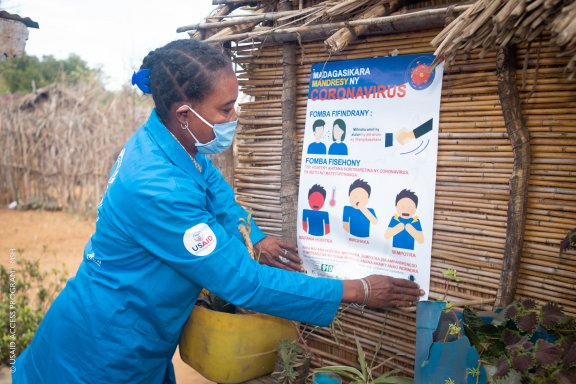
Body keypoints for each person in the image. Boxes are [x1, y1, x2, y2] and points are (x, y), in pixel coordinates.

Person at [13, 39, 423, 384]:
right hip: (99, 351)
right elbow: (243, 284)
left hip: (140, 339)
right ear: (185, 114)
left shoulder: (170, 143)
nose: (234, 117)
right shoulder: (157, 186)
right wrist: (358, 290)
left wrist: (255, 237)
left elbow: (218, 194)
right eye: (225, 110)